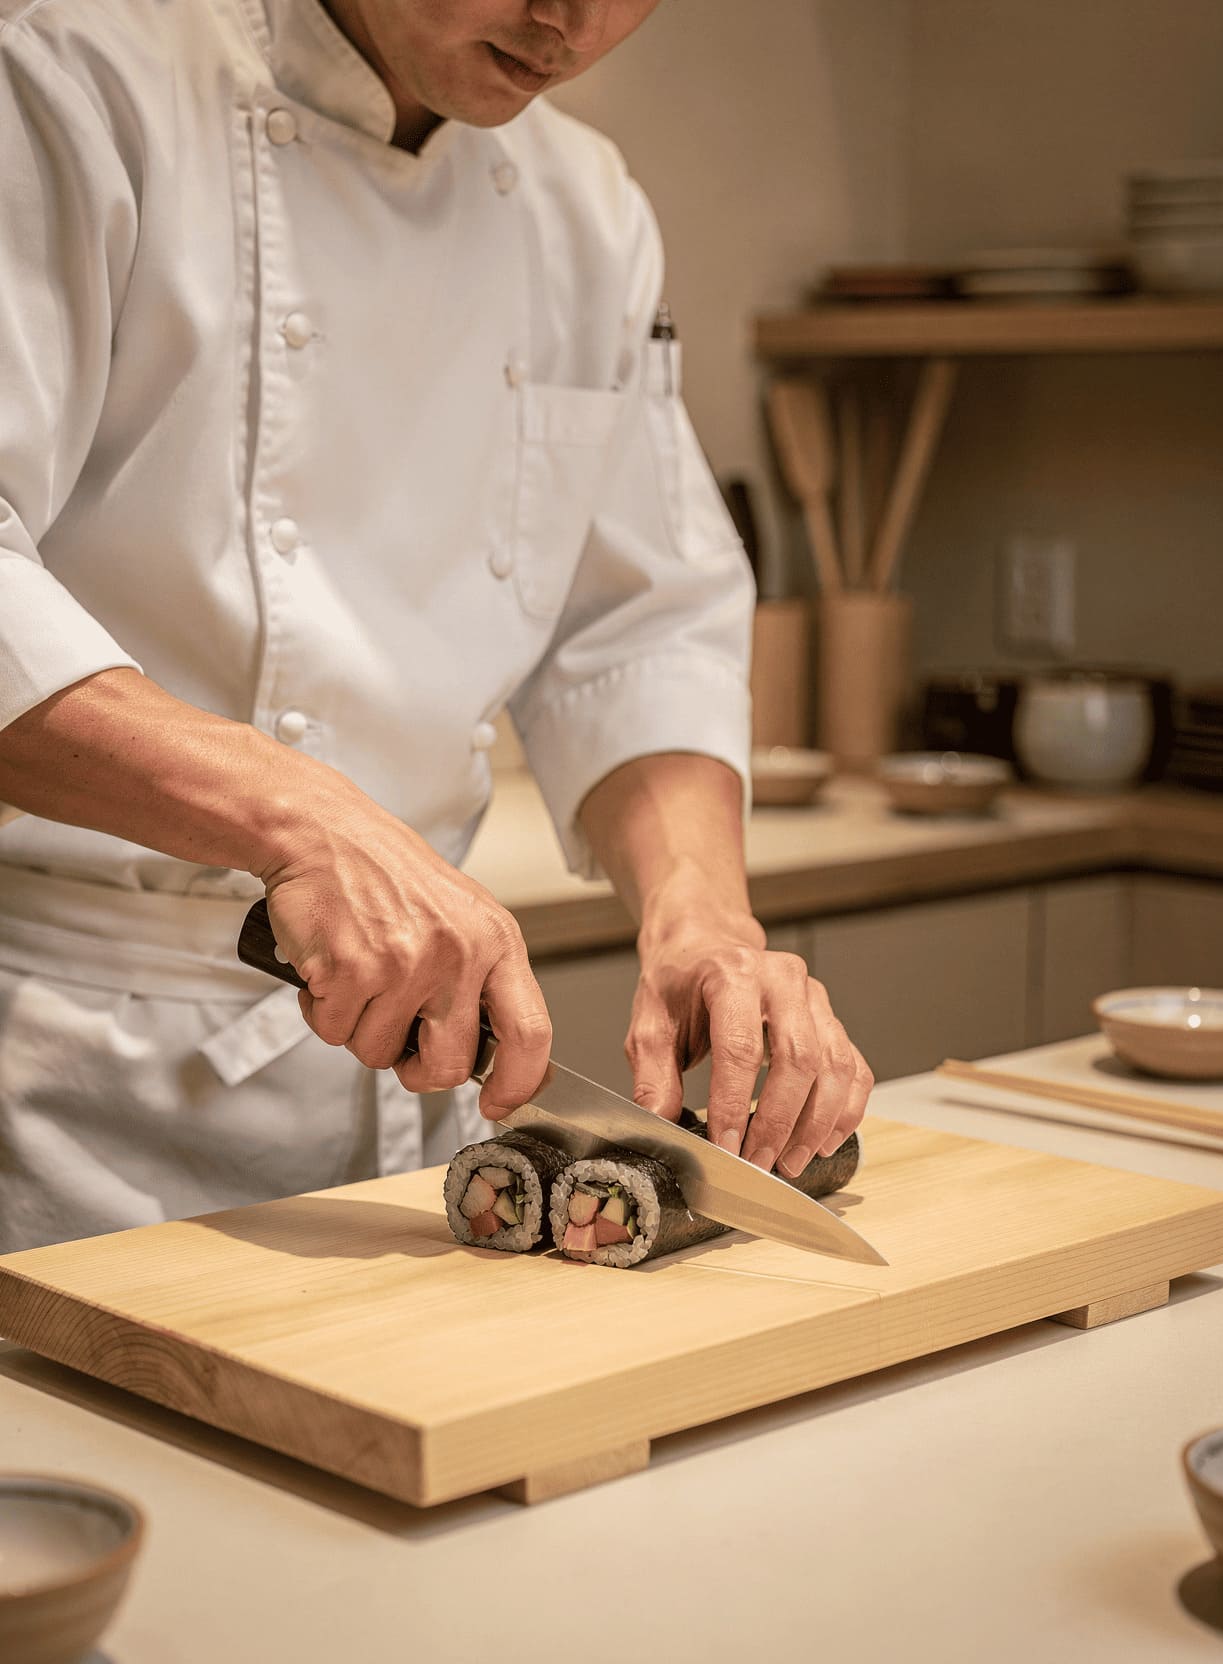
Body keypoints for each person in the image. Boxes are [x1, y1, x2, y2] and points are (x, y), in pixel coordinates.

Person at [0, 0, 873, 1254]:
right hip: (66, 1080)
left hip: (398, 1081)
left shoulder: (585, 206)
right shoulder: (70, 76)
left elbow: (637, 625)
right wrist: (304, 819)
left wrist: (701, 915)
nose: (570, 18)